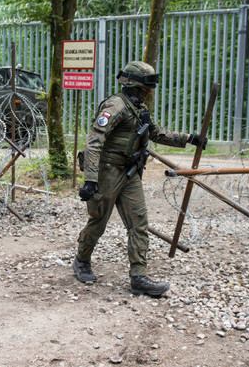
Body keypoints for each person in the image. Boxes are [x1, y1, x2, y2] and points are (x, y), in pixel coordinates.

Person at [73, 61, 206, 297]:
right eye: (147, 86)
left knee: (138, 222)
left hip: (129, 173)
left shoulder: (138, 107)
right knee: (99, 221)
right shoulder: (115, 106)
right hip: (107, 172)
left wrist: (189, 138)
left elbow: (155, 133)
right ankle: (81, 260)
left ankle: (139, 277)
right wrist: (90, 180)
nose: (149, 90)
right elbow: (93, 143)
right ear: (135, 84)